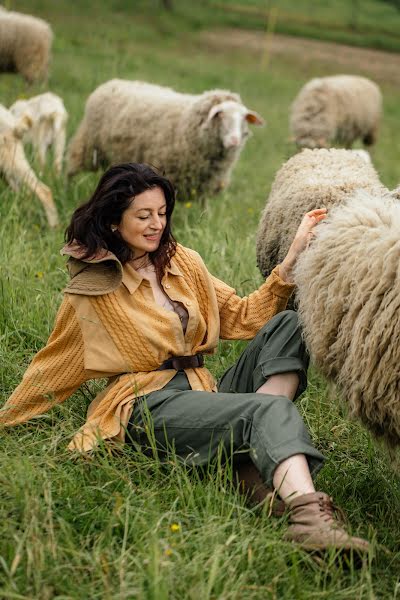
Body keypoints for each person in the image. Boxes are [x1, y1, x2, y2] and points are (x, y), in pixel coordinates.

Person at [1, 162, 369, 554]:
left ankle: (251, 456)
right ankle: (307, 518)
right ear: (113, 221)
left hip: (204, 391)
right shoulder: (93, 290)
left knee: (289, 325)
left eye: (161, 213)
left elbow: (245, 317)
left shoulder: (183, 262)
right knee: (266, 412)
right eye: (143, 215)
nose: (155, 224)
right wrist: (8, 420)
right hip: (147, 407)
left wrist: (293, 255)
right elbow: (50, 368)